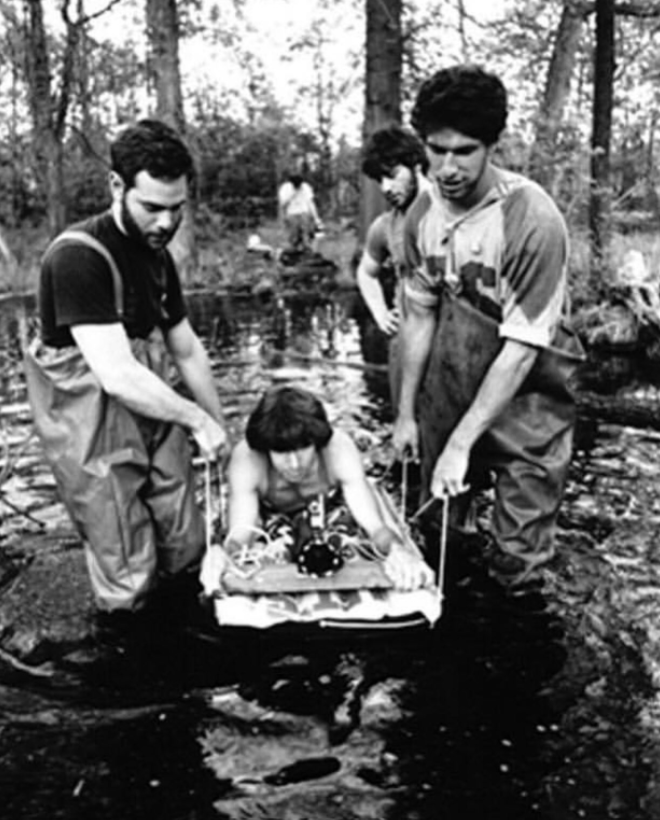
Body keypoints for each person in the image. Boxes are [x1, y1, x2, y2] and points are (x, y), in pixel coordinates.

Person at [24, 119, 227, 617]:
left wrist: (221, 428)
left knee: (185, 541)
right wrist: (196, 419)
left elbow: (186, 349)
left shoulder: (158, 256)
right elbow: (115, 374)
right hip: (89, 417)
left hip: (152, 399)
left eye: (177, 208)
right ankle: (130, 670)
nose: (165, 223)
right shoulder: (77, 257)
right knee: (127, 564)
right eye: (152, 207)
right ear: (117, 186)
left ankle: (188, 644)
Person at [392, 65, 584, 590]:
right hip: (450, 385)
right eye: (436, 150)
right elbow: (420, 316)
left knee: (517, 565)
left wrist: (463, 443)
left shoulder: (532, 221)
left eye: (465, 151)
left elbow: (522, 351)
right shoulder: (420, 217)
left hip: (529, 397)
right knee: (440, 533)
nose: (447, 167)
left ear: (493, 145)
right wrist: (408, 415)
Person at [201, 386, 434, 594]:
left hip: (330, 507)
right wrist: (222, 551)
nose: (294, 463)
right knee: (265, 552)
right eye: (281, 452)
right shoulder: (247, 460)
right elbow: (241, 532)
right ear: (266, 449)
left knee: (351, 544)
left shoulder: (339, 450)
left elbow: (373, 525)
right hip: (272, 514)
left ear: (317, 441)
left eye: (303, 448)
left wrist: (397, 549)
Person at [356, 125, 429, 406]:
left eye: (392, 175)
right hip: (406, 340)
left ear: (416, 166)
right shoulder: (385, 227)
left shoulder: (452, 210)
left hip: (453, 341)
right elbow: (366, 272)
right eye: (379, 180)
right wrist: (381, 314)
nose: (386, 188)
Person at [277, 170, 322, 253]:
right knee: (294, 236)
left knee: (307, 234)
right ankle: (294, 251)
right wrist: (293, 194)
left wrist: (316, 217)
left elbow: (310, 202)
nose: (298, 186)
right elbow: (283, 204)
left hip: (304, 212)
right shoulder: (285, 188)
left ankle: (307, 250)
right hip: (292, 214)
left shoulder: (306, 187)